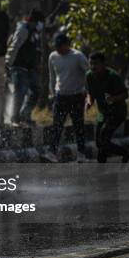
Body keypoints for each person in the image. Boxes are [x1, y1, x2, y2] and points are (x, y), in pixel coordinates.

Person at [43, 34, 89, 163]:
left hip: (76, 96)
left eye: (60, 46)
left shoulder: (78, 56)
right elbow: (52, 76)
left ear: (67, 45)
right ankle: (52, 152)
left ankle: (81, 154)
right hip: (60, 96)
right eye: (56, 46)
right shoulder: (53, 56)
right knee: (56, 126)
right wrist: (52, 94)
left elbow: (88, 73)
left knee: (78, 126)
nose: (58, 49)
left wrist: (87, 92)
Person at [86, 52, 129, 163]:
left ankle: (125, 153)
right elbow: (90, 92)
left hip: (117, 112)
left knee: (103, 137)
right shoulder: (89, 75)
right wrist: (89, 101)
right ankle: (104, 162)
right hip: (102, 113)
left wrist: (112, 98)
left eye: (96, 64)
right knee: (99, 141)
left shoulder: (113, 76)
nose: (93, 66)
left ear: (103, 64)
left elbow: (125, 94)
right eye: (91, 64)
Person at [5, 9, 45, 126]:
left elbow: (36, 50)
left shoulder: (35, 32)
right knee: (20, 91)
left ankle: (25, 114)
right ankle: (15, 117)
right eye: (40, 23)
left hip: (31, 67)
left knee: (36, 91)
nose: (42, 25)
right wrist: (8, 63)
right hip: (19, 66)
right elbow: (14, 46)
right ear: (36, 22)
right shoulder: (23, 30)